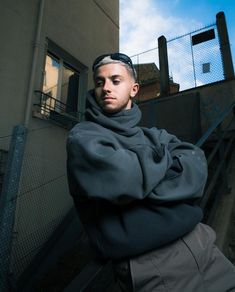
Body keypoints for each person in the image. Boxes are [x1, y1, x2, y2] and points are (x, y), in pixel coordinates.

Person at [66, 52, 235, 292]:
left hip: (203, 244)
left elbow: (196, 163)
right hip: (152, 264)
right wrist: (166, 165)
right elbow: (123, 179)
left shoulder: (153, 135)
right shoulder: (84, 137)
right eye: (99, 82)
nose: (105, 88)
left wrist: (144, 183)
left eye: (115, 80)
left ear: (134, 89)